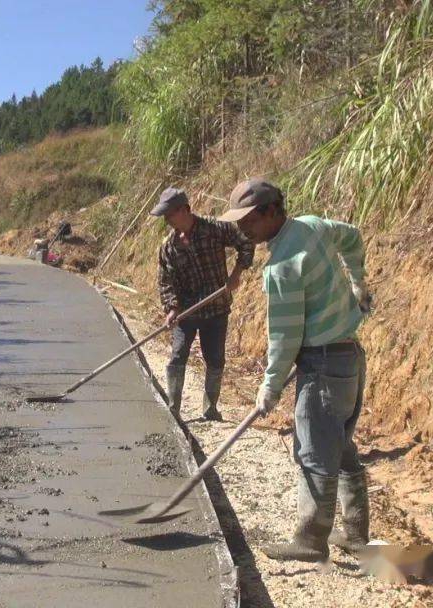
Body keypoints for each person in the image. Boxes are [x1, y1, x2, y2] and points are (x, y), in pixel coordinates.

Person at [218, 178, 372, 562]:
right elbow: (352, 236)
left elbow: (285, 338)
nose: (243, 229)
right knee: (340, 445)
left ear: (272, 211)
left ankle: (310, 541)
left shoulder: (283, 266)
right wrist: (358, 283)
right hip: (349, 357)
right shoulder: (312, 226)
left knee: (315, 452)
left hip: (321, 366)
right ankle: (355, 534)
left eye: (249, 220)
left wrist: (269, 389)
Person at [152, 187, 254, 421]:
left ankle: (210, 409)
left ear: (185, 209)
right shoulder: (169, 247)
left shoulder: (215, 229)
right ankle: (173, 409)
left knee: (215, 358)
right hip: (186, 312)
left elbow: (246, 241)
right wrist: (172, 309)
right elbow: (166, 282)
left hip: (216, 308)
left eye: (170, 214)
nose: (167, 220)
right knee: (178, 356)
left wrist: (236, 274)